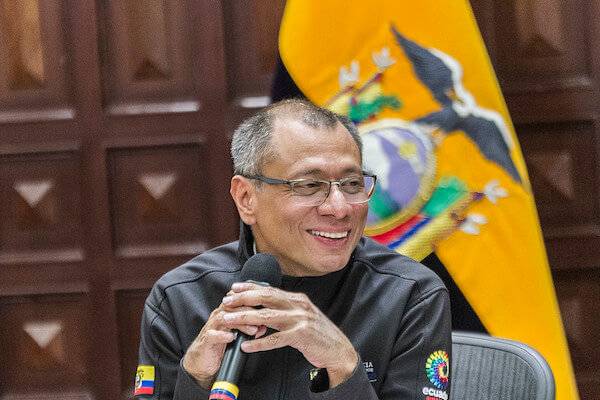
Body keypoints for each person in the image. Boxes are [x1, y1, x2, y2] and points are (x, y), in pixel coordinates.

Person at [135, 99, 452, 399]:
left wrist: (343, 367)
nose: (340, 208)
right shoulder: (180, 298)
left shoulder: (411, 295)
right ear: (246, 198)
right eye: (309, 186)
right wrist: (195, 380)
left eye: (352, 184)